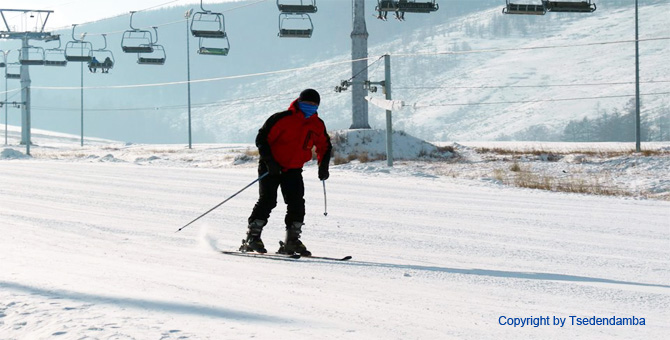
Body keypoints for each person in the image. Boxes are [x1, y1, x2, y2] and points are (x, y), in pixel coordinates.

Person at [240, 89, 332, 256]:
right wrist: (269, 161)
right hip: (271, 167)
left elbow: (325, 146)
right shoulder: (282, 118)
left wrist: (323, 165)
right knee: (267, 200)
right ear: (299, 101)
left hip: (293, 168)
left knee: (297, 203)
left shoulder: (317, 124)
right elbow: (262, 139)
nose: (310, 106)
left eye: (314, 104)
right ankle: (252, 238)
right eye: (307, 103)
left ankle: (292, 241)